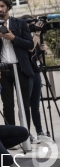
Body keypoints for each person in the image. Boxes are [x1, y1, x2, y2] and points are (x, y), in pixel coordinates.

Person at [0, 0, 34, 128]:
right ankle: (12, 135)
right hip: (3, 69)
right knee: (8, 104)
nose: (0, 9)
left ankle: (25, 133)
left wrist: (13, 37)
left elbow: (30, 44)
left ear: (8, 7)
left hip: (21, 68)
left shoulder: (20, 23)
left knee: (24, 103)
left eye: (2, 6)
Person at [22, 15, 49, 143]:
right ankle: (26, 133)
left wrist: (43, 51)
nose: (33, 26)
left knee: (35, 105)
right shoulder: (24, 38)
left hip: (36, 73)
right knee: (26, 105)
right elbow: (30, 48)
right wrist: (37, 33)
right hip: (26, 75)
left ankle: (39, 131)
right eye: (30, 24)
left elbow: (39, 60)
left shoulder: (35, 37)